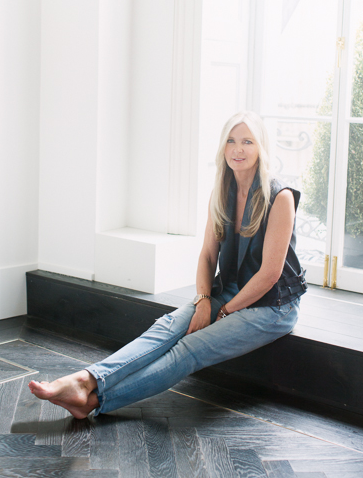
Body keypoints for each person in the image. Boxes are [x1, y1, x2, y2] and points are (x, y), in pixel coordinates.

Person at [29, 110, 307, 419]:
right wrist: (203, 300)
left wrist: (224, 313)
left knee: (190, 348)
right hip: (228, 291)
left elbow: (270, 275)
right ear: (222, 148)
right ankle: (86, 379)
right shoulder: (222, 191)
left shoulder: (280, 197)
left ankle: (94, 401)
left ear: (261, 148)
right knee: (169, 328)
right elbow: (207, 256)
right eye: (231, 141)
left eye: (247, 142)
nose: (237, 149)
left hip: (272, 305)